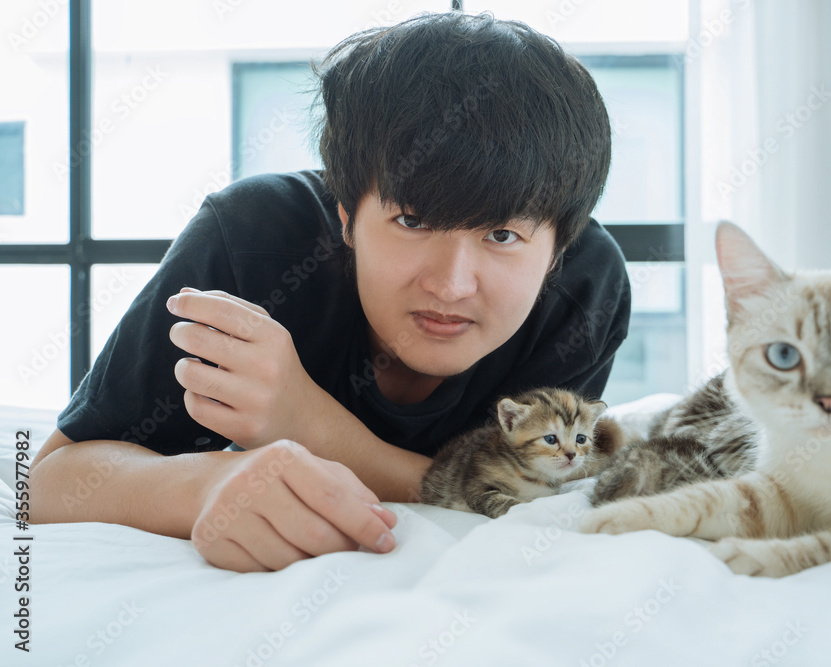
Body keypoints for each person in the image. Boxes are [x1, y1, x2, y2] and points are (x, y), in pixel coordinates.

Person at [29, 11, 630, 573]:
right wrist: (205, 482)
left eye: (502, 234)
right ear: (346, 214)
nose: (450, 284)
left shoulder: (586, 291)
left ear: (558, 248)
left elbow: (529, 493)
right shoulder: (256, 240)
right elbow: (52, 480)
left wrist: (316, 430)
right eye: (413, 221)